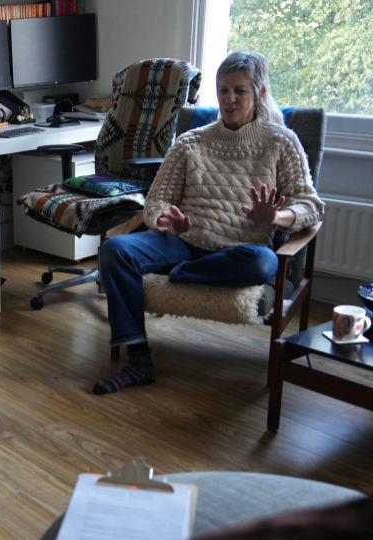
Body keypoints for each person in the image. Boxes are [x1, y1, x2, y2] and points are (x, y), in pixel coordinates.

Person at [92, 51, 324, 395]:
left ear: (259, 93)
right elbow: (156, 200)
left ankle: (181, 275)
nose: (229, 100)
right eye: (223, 90)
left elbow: (311, 206)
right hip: (183, 241)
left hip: (239, 252)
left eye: (239, 91)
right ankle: (138, 358)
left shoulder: (281, 142)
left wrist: (276, 217)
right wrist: (165, 220)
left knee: (264, 261)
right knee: (115, 250)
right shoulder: (190, 143)